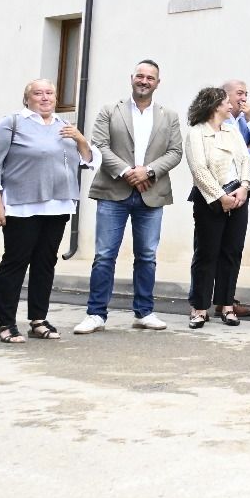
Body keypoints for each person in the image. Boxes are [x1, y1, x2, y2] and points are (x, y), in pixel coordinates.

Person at [0, 79, 96, 344]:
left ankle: (38, 318)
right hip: (22, 205)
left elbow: (88, 161)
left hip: (58, 204)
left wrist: (80, 139)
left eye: (49, 93)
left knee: (46, 263)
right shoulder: (12, 123)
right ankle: (7, 324)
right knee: (15, 262)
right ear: (27, 99)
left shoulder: (64, 127)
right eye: (38, 93)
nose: (44, 98)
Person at [75, 61, 183, 335]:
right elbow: (99, 145)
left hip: (151, 193)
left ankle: (144, 312)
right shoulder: (110, 111)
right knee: (104, 255)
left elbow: (175, 152)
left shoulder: (168, 115)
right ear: (131, 79)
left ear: (158, 83)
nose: (144, 81)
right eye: (140, 76)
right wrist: (126, 172)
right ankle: (96, 313)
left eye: (150, 77)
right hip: (113, 192)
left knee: (147, 256)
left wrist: (147, 171)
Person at [185, 86, 250, 328]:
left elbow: (245, 160)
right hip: (209, 201)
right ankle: (199, 307)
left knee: (231, 252)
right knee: (206, 253)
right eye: (226, 102)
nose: (230, 105)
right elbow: (198, 169)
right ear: (215, 106)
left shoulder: (232, 130)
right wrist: (219, 196)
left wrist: (244, 187)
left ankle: (226, 305)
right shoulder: (196, 133)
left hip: (238, 198)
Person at [216, 79, 250, 317]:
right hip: (217, 191)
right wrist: (245, 147)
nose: (244, 98)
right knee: (210, 249)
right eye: (240, 93)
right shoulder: (216, 120)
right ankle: (201, 301)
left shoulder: (243, 122)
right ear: (225, 96)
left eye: (246, 94)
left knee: (232, 248)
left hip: (242, 191)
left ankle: (226, 300)